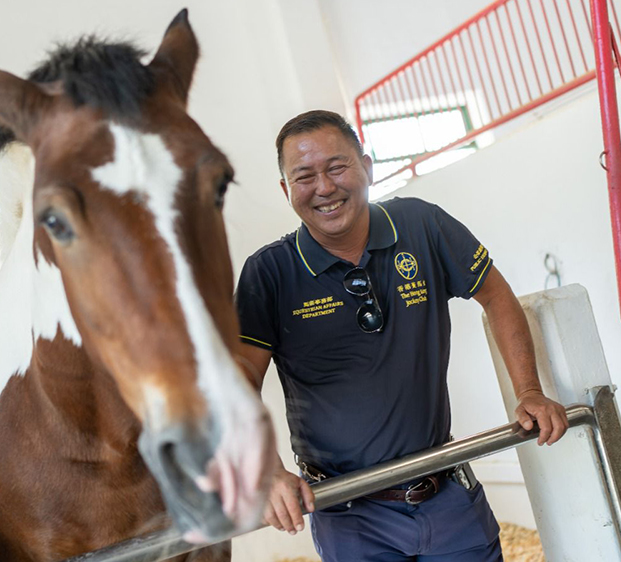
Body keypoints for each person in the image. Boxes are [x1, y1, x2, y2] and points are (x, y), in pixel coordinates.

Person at [234, 110, 569, 562]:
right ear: (286, 190)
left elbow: (497, 296)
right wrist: (269, 471)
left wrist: (529, 390)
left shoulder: (421, 226)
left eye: (337, 167)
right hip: (347, 515)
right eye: (305, 176)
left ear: (367, 168)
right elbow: (240, 380)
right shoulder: (269, 272)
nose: (325, 187)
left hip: (446, 493)